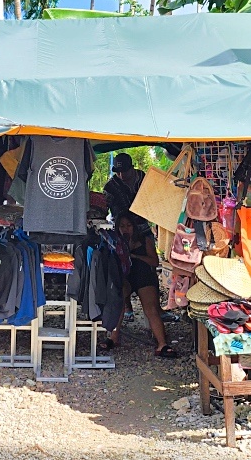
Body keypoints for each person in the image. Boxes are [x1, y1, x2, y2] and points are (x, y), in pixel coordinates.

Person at [109, 211, 179, 358]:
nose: (125, 229)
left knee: (151, 309)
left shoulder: (145, 240)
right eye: (122, 226)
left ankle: (162, 344)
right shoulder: (115, 241)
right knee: (118, 302)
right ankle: (113, 338)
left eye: (128, 225)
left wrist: (134, 256)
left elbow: (155, 262)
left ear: (134, 227)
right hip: (126, 277)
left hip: (144, 276)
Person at [104, 153, 145, 223]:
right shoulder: (110, 187)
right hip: (121, 228)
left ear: (132, 168)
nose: (121, 175)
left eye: (124, 172)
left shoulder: (144, 178)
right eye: (118, 172)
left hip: (145, 226)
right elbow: (104, 208)